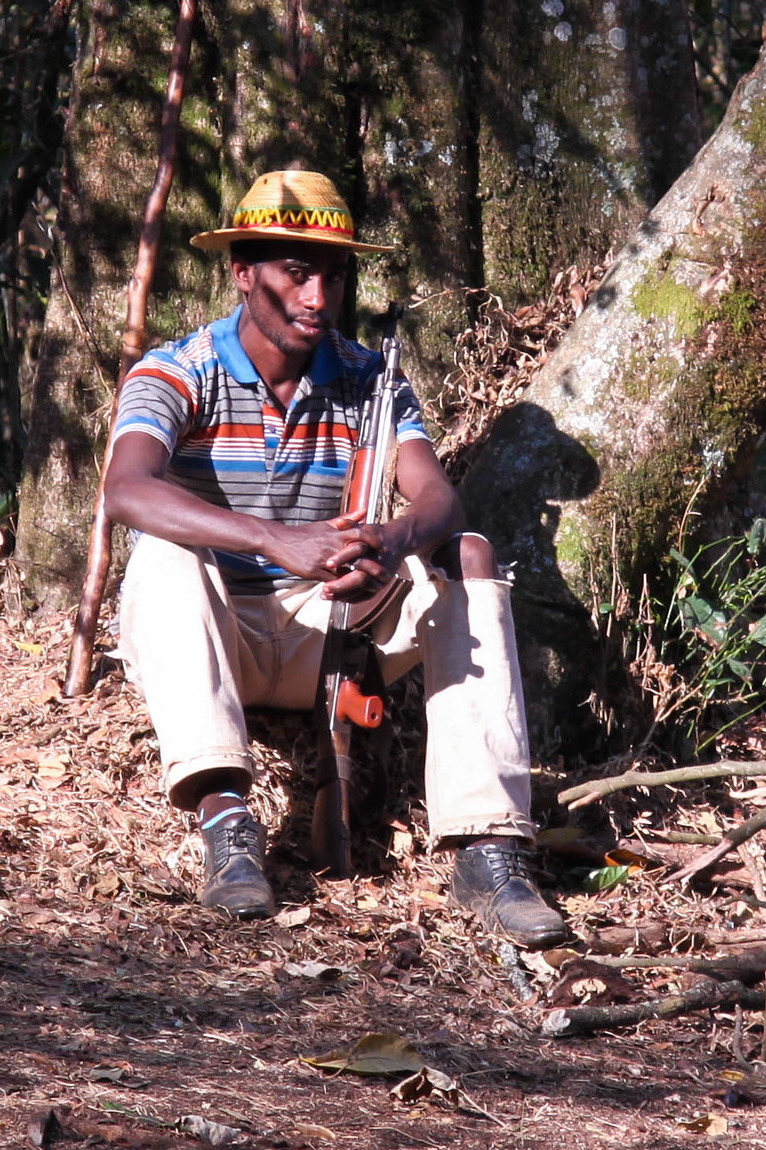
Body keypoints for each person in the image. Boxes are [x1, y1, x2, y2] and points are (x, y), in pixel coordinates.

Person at [101, 169, 570, 949]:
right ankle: (226, 823)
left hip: (335, 629)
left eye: (334, 273)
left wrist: (391, 540)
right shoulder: (177, 371)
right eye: (297, 271)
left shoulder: (369, 381)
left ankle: (488, 848)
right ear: (243, 273)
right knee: (164, 551)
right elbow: (126, 491)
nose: (319, 295)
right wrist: (274, 539)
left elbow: (438, 500)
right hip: (212, 635)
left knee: (470, 553)